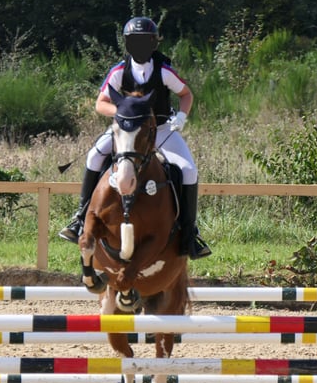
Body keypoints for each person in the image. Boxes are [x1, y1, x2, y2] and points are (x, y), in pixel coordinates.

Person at [59, 16, 211, 259]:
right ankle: (79, 218)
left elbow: (186, 94)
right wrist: (123, 115)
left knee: (188, 169)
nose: (139, 47)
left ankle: (188, 233)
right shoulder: (119, 71)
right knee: (94, 156)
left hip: (159, 129)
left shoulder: (164, 71)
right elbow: (101, 103)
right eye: (134, 41)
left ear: (153, 43)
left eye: (144, 41)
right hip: (126, 129)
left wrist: (182, 116)